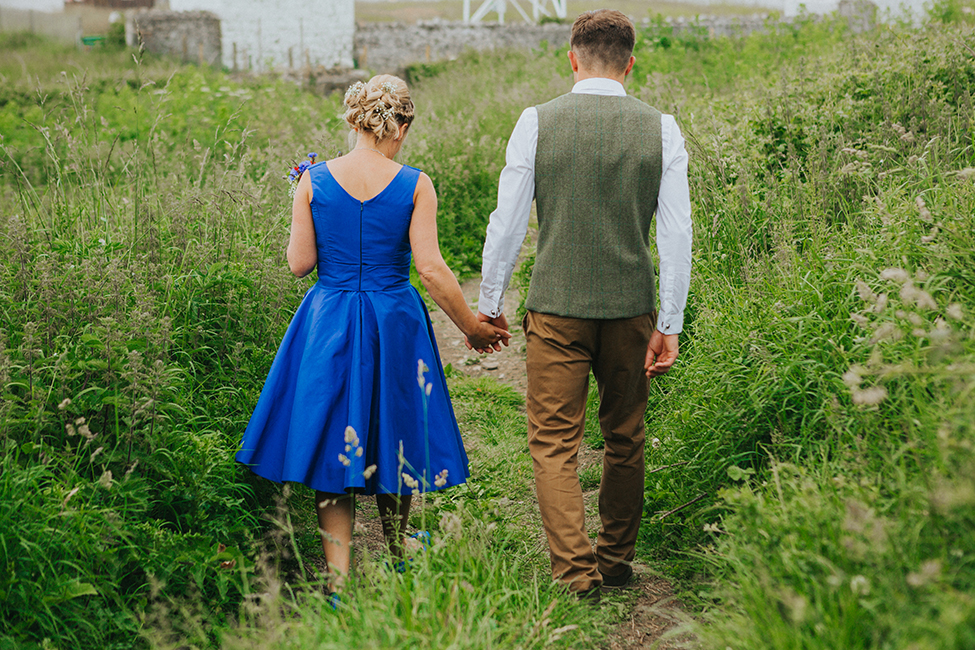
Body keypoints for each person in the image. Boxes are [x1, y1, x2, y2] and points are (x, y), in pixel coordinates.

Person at [237, 74, 510, 599]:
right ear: (401, 125)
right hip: (392, 319)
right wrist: (472, 328)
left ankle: (337, 583)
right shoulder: (415, 183)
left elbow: (300, 264)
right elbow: (430, 269)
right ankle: (398, 549)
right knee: (395, 428)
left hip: (329, 319)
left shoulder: (312, 180)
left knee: (332, 441)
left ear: (354, 119)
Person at [475, 10, 693, 597]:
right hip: (631, 309)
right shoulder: (662, 128)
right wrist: (669, 321)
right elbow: (675, 236)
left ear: (572, 58)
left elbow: (508, 221)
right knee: (625, 436)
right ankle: (616, 561)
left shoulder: (537, 121)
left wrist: (489, 301)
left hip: (556, 308)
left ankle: (575, 574)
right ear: (630, 63)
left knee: (553, 441)